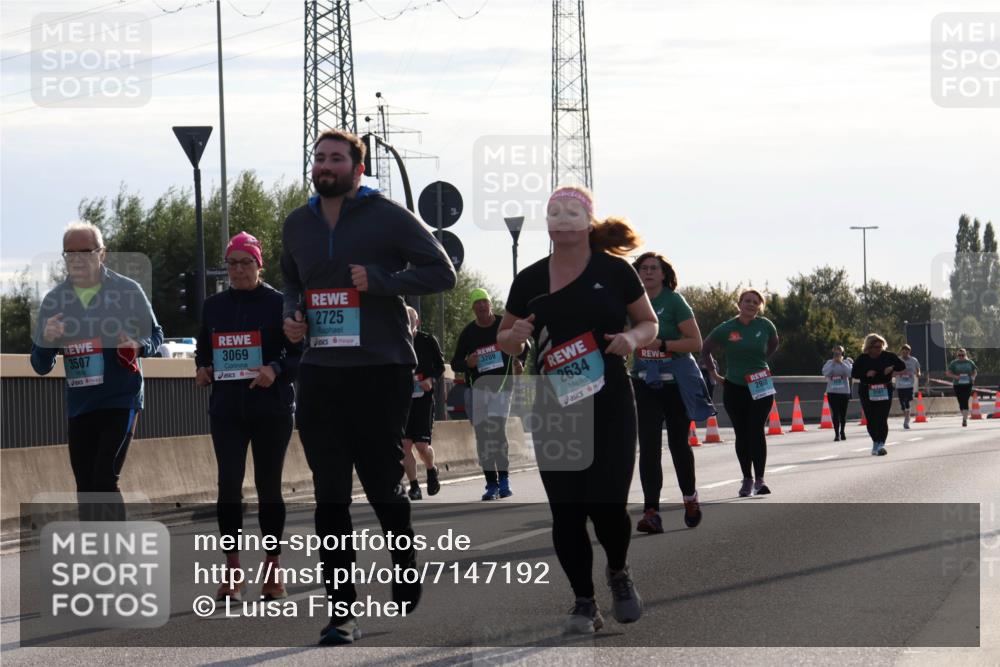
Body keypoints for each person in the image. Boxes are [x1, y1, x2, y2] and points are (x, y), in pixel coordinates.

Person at [281, 129, 456, 645]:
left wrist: (380, 280)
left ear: (358, 168)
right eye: (319, 158)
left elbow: (442, 271)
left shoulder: (388, 216)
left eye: (336, 158)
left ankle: (403, 561)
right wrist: (292, 316)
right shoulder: (297, 224)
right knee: (328, 491)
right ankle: (342, 611)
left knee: (381, 483)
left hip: (381, 368)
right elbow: (294, 282)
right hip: (320, 369)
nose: (325, 165)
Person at [497, 185, 658, 634]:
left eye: (572, 212)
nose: (562, 219)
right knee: (567, 510)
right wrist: (516, 337)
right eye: (554, 212)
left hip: (608, 401)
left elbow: (649, 321)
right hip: (553, 404)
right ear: (546, 223)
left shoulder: (616, 271)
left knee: (606, 504)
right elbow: (505, 339)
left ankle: (619, 572)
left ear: (588, 222)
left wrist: (632, 339)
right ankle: (584, 602)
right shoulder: (529, 279)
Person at [195, 232, 302, 602]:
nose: (239, 270)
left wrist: (274, 368)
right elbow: (202, 351)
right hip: (227, 409)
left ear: (260, 265)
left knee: (269, 487)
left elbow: (299, 353)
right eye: (232, 263)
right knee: (228, 486)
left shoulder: (279, 303)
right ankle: (232, 570)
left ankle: (272, 569)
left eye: (246, 262)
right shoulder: (213, 306)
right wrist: (203, 368)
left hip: (271, 408)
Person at [30, 222, 163, 517]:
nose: (77, 259)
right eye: (70, 253)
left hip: (121, 399)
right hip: (81, 406)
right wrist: (46, 341)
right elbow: (40, 365)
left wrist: (136, 346)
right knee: (86, 487)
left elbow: (156, 336)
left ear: (102, 254)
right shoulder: (55, 300)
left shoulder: (127, 290)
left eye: (85, 252)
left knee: (104, 479)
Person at [629, 252, 704, 533]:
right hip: (645, 383)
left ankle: (690, 498)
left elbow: (695, 342)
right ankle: (651, 512)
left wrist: (661, 344)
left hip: (675, 384)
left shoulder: (673, 301)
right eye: (643, 268)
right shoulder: (631, 304)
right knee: (648, 448)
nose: (647, 272)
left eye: (653, 268)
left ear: (663, 274)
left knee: (678, 445)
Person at [701, 289, 779, 497]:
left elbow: (774, 343)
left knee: (756, 429)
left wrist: (761, 361)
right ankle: (747, 478)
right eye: (747, 301)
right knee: (742, 433)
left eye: (755, 302)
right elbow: (705, 349)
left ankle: (760, 480)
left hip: (760, 383)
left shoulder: (765, 325)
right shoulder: (727, 328)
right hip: (734, 385)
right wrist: (713, 373)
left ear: (759, 305)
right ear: (739, 304)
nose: (751, 304)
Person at [450, 288, 525, 501]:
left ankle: (504, 480)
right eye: (477, 303)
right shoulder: (468, 333)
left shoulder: (504, 325)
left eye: (484, 302)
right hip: (478, 390)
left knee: (497, 432)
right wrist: (467, 363)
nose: (481, 306)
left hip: (502, 388)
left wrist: (520, 364)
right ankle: (491, 483)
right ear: (473, 309)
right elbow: (455, 362)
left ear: (490, 304)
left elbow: (524, 344)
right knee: (483, 437)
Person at [402, 306, 445, 500]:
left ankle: (431, 469)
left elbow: (440, 367)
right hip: (402, 401)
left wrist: (430, 380)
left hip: (423, 400)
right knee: (405, 445)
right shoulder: (397, 341)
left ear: (416, 322)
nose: (408, 324)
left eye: (411, 321)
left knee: (421, 446)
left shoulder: (428, 341)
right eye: (404, 320)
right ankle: (414, 486)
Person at [851, 334, 906, 455]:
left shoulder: (888, 356)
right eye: (876, 347)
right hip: (867, 390)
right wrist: (866, 373)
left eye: (881, 347)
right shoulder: (862, 358)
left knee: (882, 418)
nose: (879, 349)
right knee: (871, 418)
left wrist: (891, 368)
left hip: (884, 389)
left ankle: (881, 443)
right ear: (869, 347)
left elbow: (902, 365)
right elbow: (854, 373)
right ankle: (875, 441)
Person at [822, 345, 853, 441]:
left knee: (842, 414)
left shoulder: (847, 362)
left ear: (842, 354)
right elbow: (825, 373)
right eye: (835, 353)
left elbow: (849, 373)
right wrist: (833, 364)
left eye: (839, 353)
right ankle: (836, 434)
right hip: (832, 391)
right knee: (835, 413)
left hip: (844, 392)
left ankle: (842, 431)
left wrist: (841, 363)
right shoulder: (829, 363)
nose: (837, 355)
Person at [945, 348, 978, 426]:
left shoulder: (970, 362)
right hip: (957, 384)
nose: (961, 357)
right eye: (959, 355)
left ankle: (965, 419)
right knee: (960, 401)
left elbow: (975, 371)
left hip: (968, 384)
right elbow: (948, 373)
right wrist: (956, 377)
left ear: (965, 355)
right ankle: (964, 416)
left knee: (965, 399)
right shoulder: (954, 363)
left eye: (962, 355)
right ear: (957, 355)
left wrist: (973, 377)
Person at [894, 344, 921, 429]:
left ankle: (906, 419)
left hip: (909, 385)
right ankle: (906, 416)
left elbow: (918, 368)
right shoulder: (897, 360)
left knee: (907, 401)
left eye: (907, 351)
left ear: (909, 351)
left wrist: (918, 373)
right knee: (902, 404)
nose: (905, 352)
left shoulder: (914, 360)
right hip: (900, 385)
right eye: (903, 350)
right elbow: (893, 372)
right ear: (901, 351)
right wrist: (900, 373)